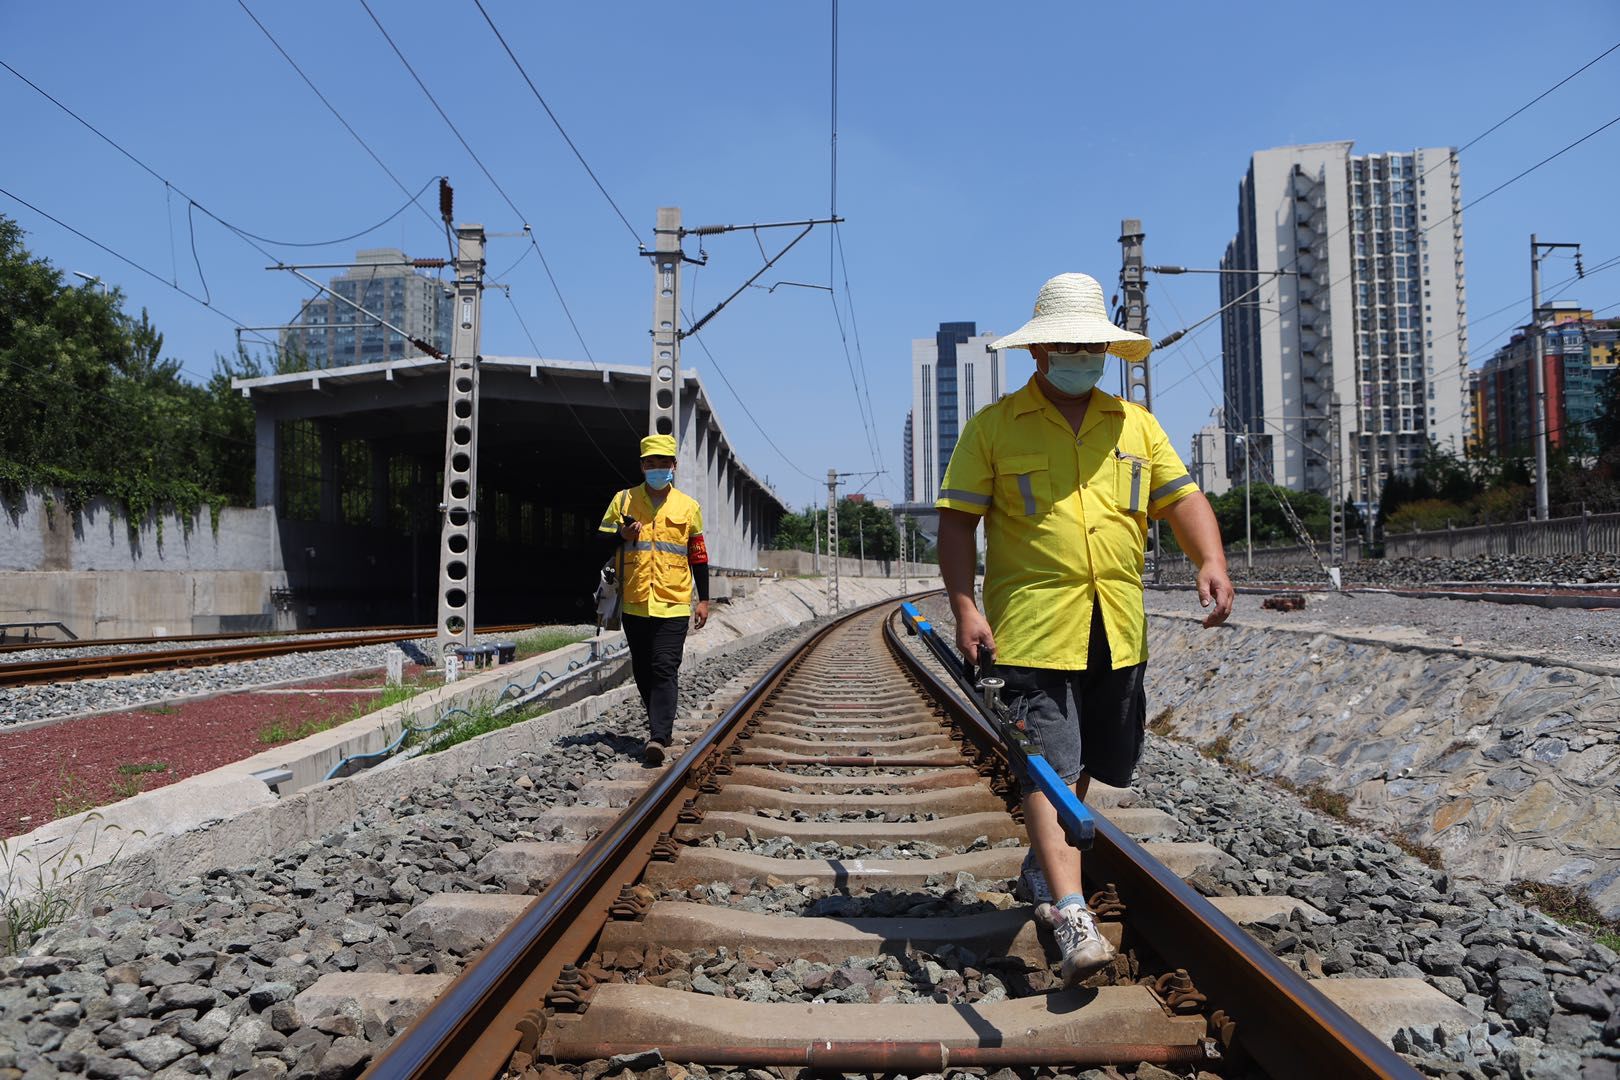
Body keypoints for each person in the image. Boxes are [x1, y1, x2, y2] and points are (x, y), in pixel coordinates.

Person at [935, 272, 1233, 985]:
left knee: (1101, 758)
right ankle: (1069, 912)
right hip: (1031, 627)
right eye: (1067, 344)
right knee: (1048, 764)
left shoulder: (1135, 424)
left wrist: (1211, 558)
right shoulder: (996, 427)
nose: (1081, 354)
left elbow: (1182, 499)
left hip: (1117, 627)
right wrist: (966, 606)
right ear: (1039, 352)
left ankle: (1043, 864)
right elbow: (957, 523)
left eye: (1092, 344)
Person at [597, 434, 710, 765]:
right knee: (644, 670)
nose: (658, 468)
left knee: (664, 666)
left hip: (674, 600)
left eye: (664, 463)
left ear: (674, 466)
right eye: (651, 463)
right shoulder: (624, 501)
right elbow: (597, 542)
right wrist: (621, 535)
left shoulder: (688, 507)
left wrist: (703, 600)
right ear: (642, 465)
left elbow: (698, 556)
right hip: (635, 600)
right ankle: (660, 723)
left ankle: (658, 735)